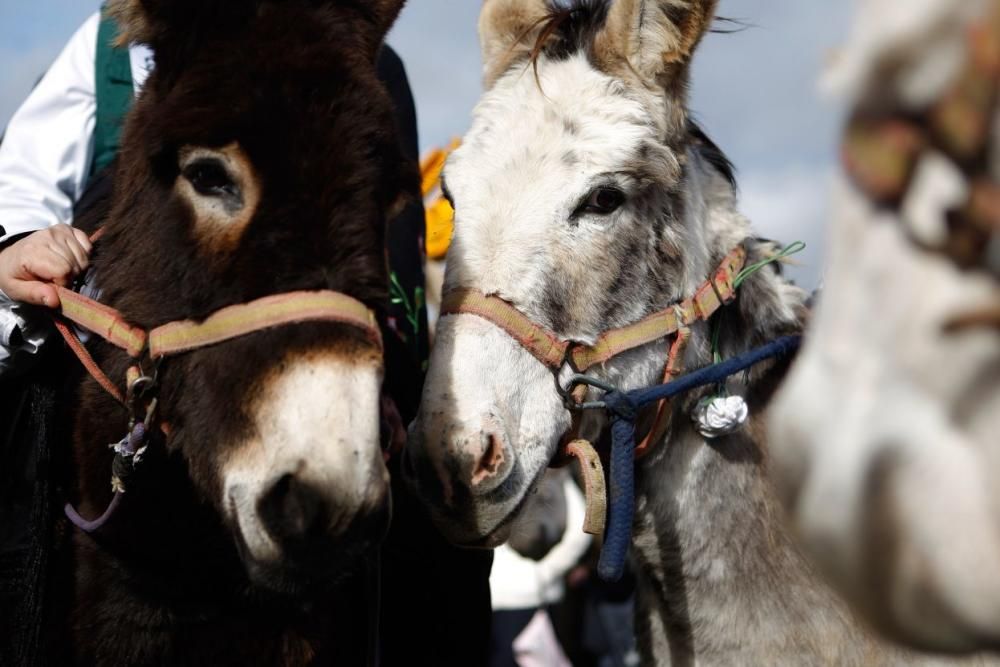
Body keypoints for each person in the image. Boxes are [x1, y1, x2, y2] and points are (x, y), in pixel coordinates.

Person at [0, 7, 490, 665]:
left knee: (439, 527)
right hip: (120, 348)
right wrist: (15, 250)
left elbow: (382, 252)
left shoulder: (371, 58)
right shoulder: (108, 50)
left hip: (330, 331)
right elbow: (19, 198)